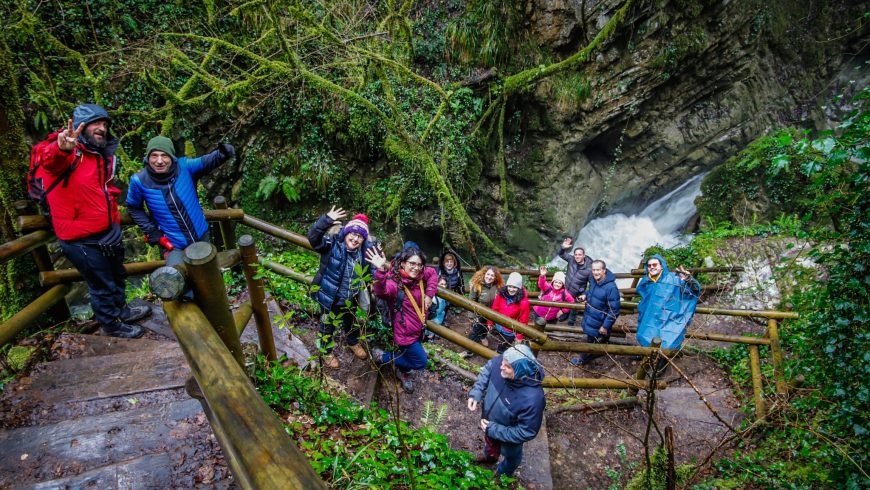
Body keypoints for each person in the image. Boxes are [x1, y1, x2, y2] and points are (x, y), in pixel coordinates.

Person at [36, 104, 151, 338]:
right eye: (96, 123)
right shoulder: (69, 154)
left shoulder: (99, 156)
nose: (102, 128)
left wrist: (113, 223)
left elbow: (100, 191)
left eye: (105, 124)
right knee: (102, 283)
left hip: (106, 231)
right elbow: (51, 161)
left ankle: (122, 311)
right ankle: (112, 325)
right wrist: (62, 147)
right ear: (81, 126)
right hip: (80, 237)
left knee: (117, 274)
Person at [127, 136, 235, 266]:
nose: (159, 161)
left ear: (172, 157)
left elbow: (206, 161)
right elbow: (133, 207)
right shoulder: (139, 181)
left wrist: (223, 152)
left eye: (164, 155)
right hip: (173, 244)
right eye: (154, 156)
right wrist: (152, 231)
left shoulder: (184, 167)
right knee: (176, 278)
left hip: (201, 235)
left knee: (209, 276)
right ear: (147, 158)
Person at [308, 206, 374, 369]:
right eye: (352, 233)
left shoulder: (364, 253)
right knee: (327, 324)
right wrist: (326, 220)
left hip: (351, 297)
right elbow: (313, 239)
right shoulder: (331, 245)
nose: (355, 238)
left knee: (351, 321)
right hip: (331, 296)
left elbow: (372, 272)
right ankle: (326, 350)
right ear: (346, 233)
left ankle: (352, 342)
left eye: (360, 236)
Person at [467, 344, 545, 479]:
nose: (501, 366)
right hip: (489, 424)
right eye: (503, 362)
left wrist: (494, 429)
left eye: (508, 366)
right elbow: (488, 368)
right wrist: (477, 391)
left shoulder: (533, 400)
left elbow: (527, 431)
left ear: (521, 370)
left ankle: (503, 475)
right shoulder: (503, 361)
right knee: (490, 445)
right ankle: (490, 458)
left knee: (511, 457)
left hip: (509, 439)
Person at [367, 246, 438, 393]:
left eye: (419, 264)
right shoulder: (395, 283)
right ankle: (383, 356)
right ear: (403, 263)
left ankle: (402, 372)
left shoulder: (420, 276)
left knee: (409, 357)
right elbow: (381, 290)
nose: (416, 268)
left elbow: (432, 273)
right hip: (404, 333)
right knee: (420, 362)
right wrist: (380, 271)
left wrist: (430, 294)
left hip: (417, 329)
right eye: (412, 263)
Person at [636, 254, 701, 351]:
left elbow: (694, 290)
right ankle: (644, 356)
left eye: (654, 265)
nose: (652, 267)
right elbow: (643, 295)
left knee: (667, 343)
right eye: (649, 266)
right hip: (649, 317)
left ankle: (662, 362)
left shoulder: (674, 279)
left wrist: (688, 280)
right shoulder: (646, 280)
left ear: (661, 266)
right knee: (643, 336)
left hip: (667, 318)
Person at [571, 260, 620, 366]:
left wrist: (605, 326)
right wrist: (585, 295)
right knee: (593, 337)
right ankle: (601, 349)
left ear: (604, 271)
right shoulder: (593, 280)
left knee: (591, 340)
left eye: (598, 270)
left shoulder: (611, 288)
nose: (595, 272)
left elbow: (614, 310)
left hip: (600, 321)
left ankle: (583, 359)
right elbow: (592, 292)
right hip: (591, 316)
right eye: (593, 270)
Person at [460, 266, 505, 358]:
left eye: (492, 275)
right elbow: (471, 302)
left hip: (492, 314)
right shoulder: (477, 286)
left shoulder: (498, 287)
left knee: (487, 328)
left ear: (495, 277)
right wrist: (472, 316)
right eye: (488, 274)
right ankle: (469, 351)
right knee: (474, 331)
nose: (489, 277)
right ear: (484, 274)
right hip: (479, 314)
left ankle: (483, 336)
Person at [489, 272, 530, 353]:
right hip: (498, 324)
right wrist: (490, 322)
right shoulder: (501, 294)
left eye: (514, 287)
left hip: (510, 330)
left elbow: (523, 320)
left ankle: (499, 353)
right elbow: (494, 308)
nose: (511, 289)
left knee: (503, 347)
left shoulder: (523, 302)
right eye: (510, 286)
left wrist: (519, 336)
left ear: (519, 288)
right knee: (498, 338)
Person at [558, 236, 594, 326]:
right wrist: (563, 248)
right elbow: (561, 254)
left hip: (577, 292)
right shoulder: (571, 260)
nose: (577, 256)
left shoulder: (589, 269)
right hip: (567, 288)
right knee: (565, 303)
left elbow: (592, 284)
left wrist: (585, 294)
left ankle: (571, 322)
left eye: (579, 254)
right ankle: (565, 314)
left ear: (584, 255)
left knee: (574, 308)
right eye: (576, 254)